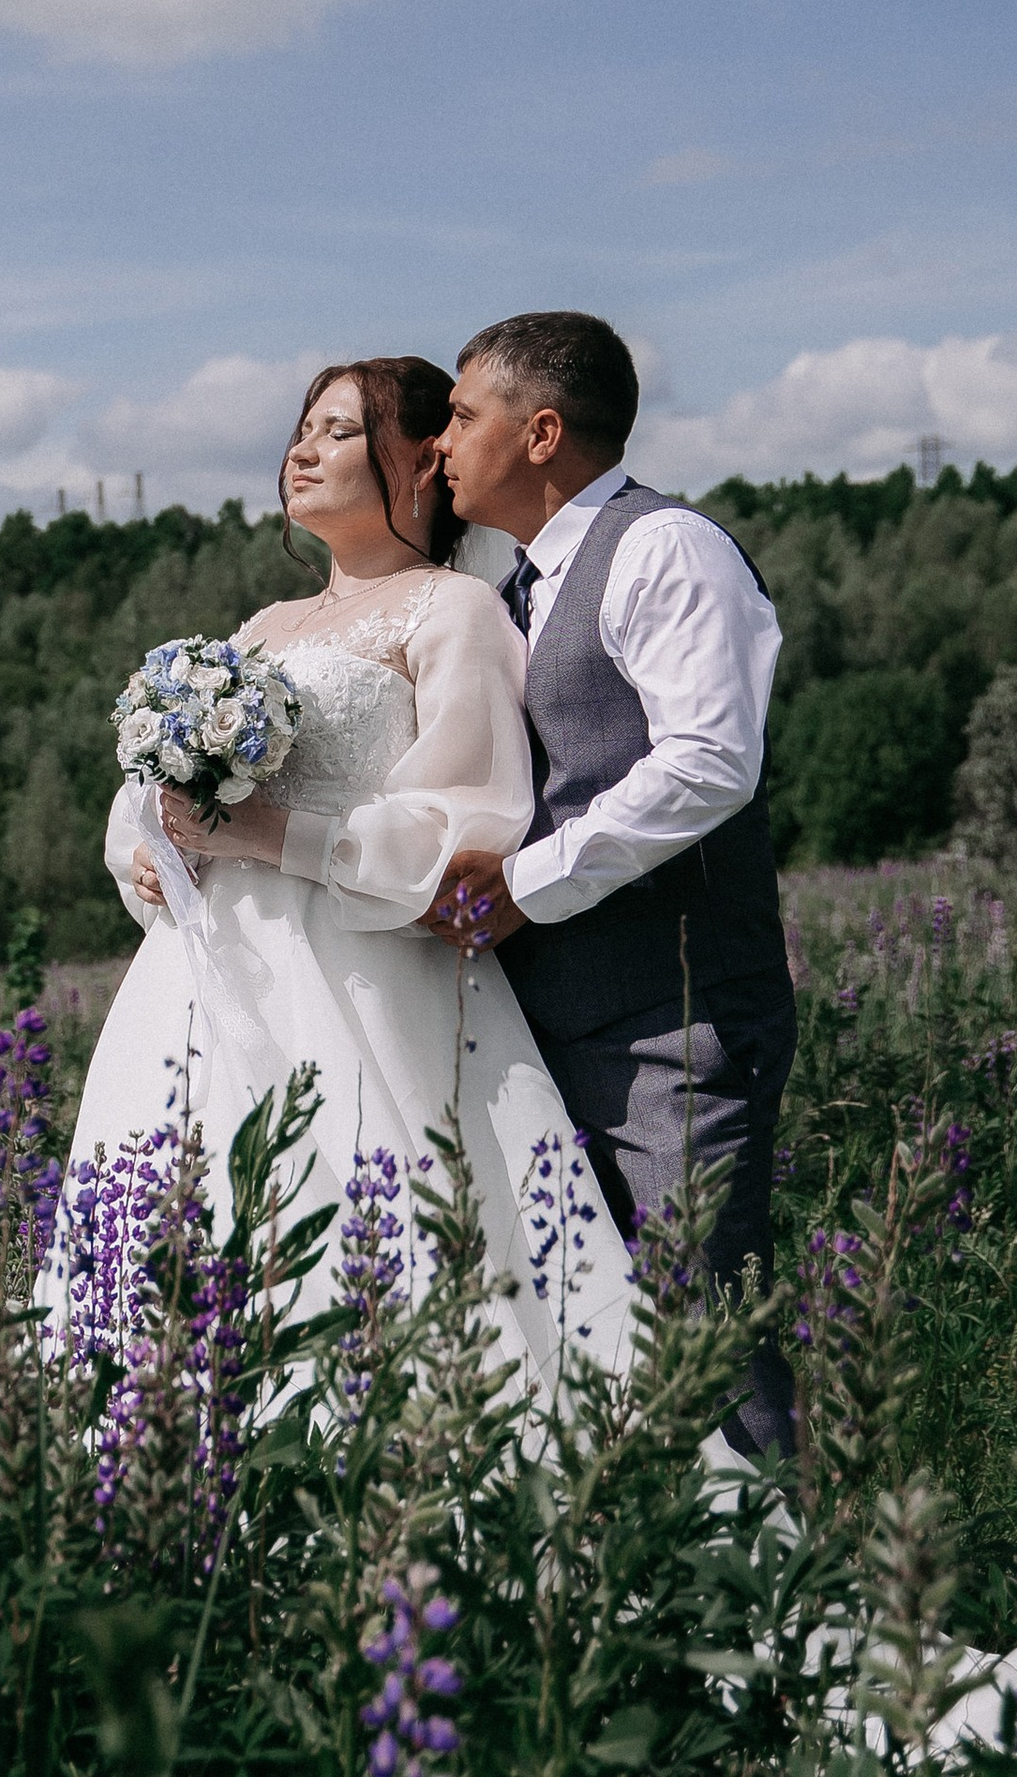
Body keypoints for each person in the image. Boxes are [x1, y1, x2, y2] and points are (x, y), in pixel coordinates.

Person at [61, 357, 635, 1401]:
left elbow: (468, 822)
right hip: (202, 975)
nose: (301, 452)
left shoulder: (454, 612)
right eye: (302, 430)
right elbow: (145, 788)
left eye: (335, 431)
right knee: (177, 1226)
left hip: (362, 975)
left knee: (373, 1242)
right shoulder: (259, 629)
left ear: (418, 463)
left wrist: (276, 837)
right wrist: (149, 844)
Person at [424, 312, 798, 1458]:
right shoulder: (512, 589)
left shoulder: (663, 549)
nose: (440, 444)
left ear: (539, 432)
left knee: (705, 1338)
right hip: (546, 1034)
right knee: (595, 1342)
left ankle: (794, 1622)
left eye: (459, 413)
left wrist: (521, 887)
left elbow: (708, 763)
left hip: (671, 1026)